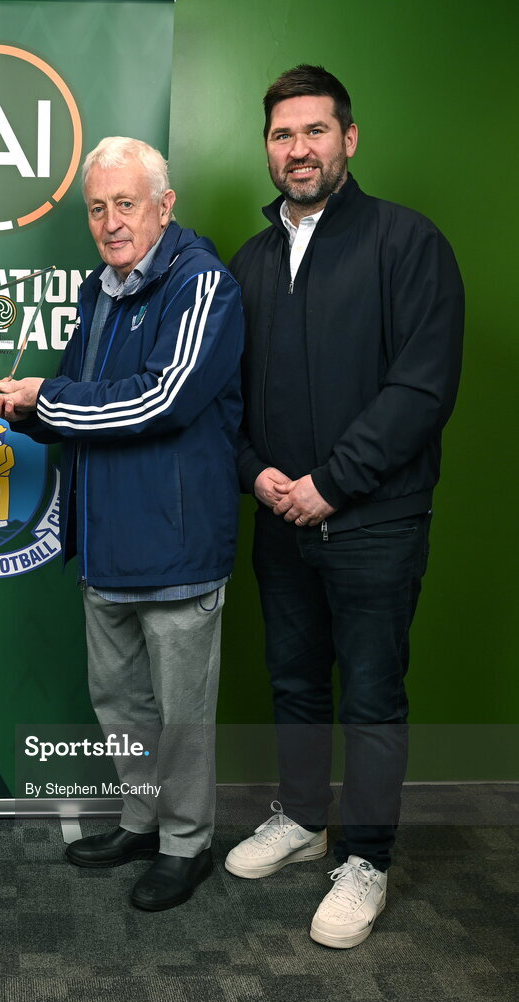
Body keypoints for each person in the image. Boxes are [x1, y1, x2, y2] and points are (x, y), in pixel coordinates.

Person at [225, 66, 463, 948]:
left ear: (348, 140)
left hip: (375, 522)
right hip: (279, 518)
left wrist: (331, 484)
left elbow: (422, 387)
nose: (299, 150)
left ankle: (364, 856)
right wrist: (259, 475)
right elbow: (230, 401)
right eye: (284, 136)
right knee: (293, 682)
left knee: (369, 695)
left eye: (316, 132)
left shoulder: (407, 242)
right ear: (269, 148)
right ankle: (298, 817)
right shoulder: (248, 263)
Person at [0, 137, 244, 911]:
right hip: (103, 548)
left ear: (165, 206)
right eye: (97, 207)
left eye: (125, 204)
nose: (110, 221)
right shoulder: (101, 290)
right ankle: (140, 820)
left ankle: (186, 843)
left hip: (176, 550)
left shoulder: (205, 285)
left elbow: (163, 399)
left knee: (181, 717)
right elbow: (77, 397)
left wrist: (48, 401)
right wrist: (22, 409)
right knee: (120, 707)